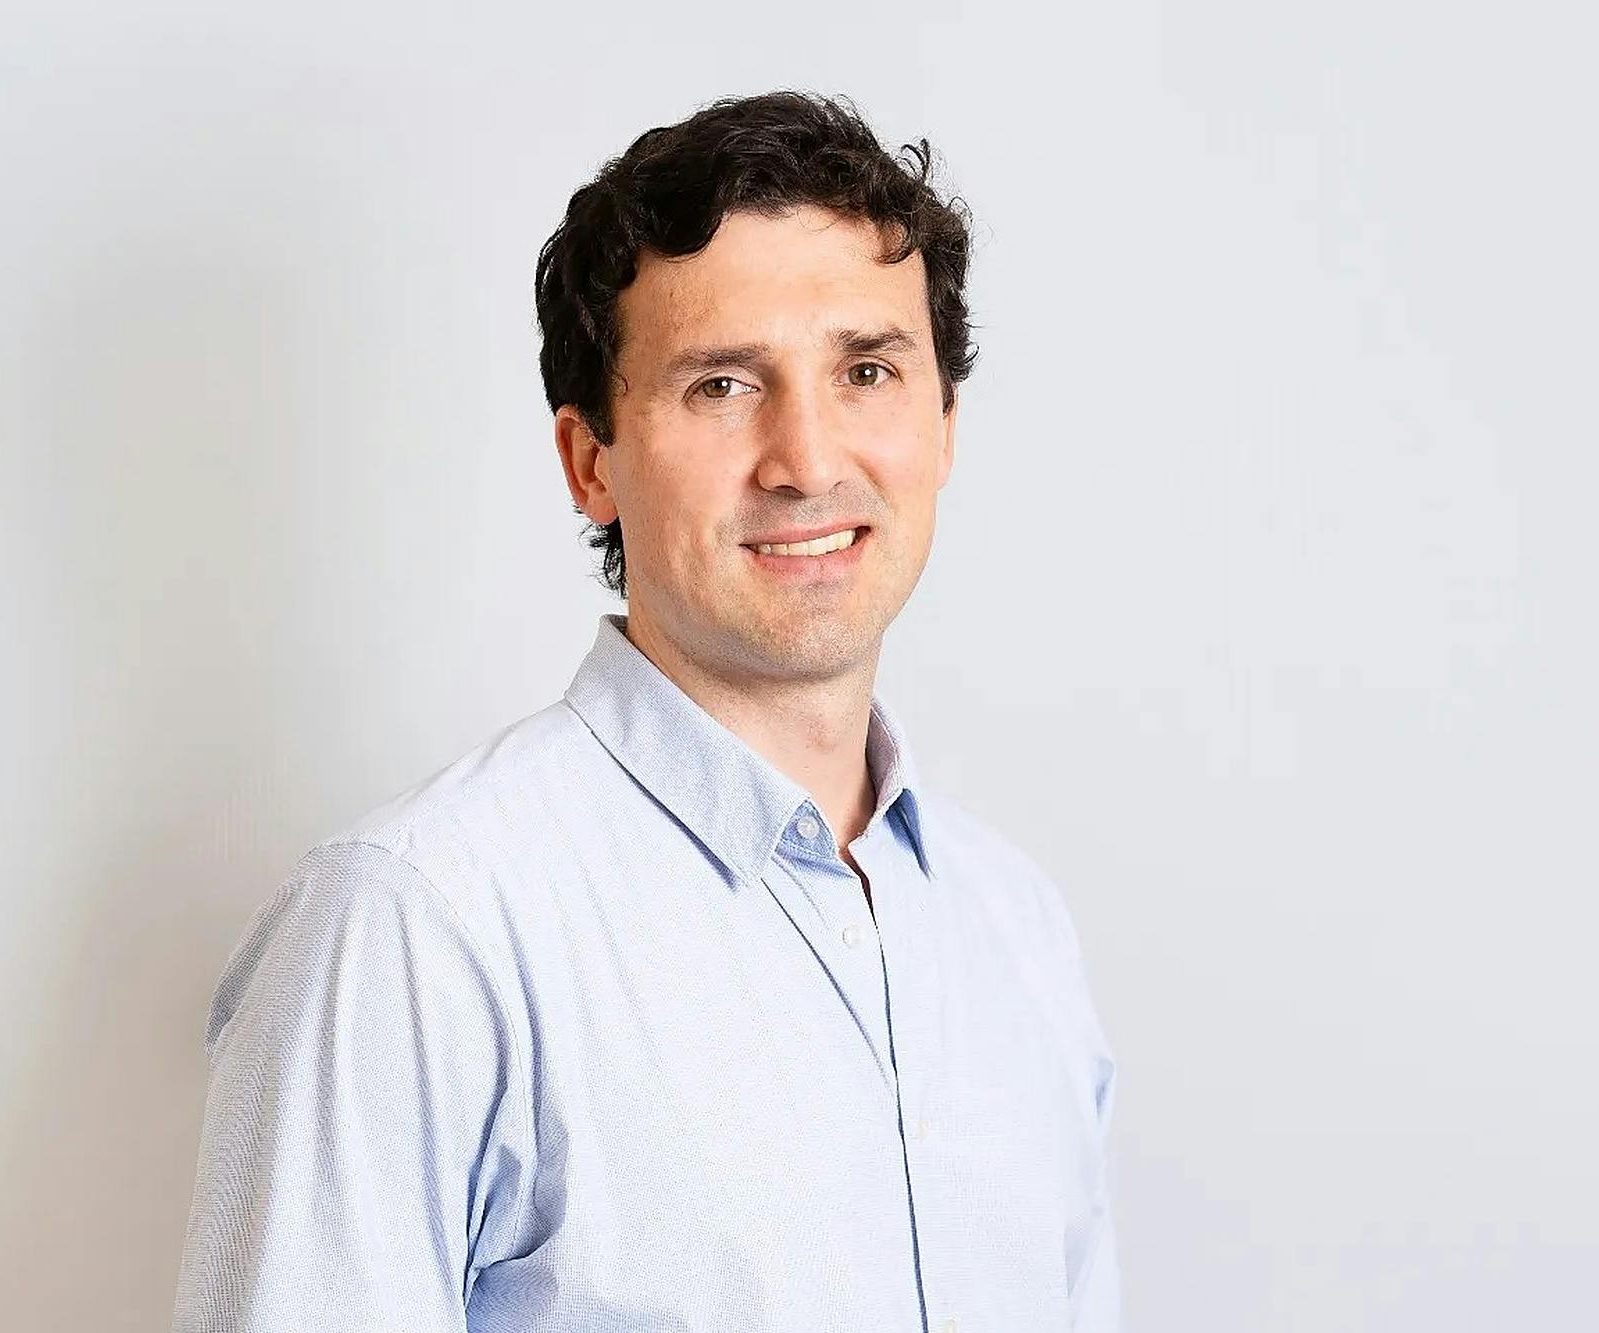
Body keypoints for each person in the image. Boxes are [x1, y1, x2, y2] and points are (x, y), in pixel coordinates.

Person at [171, 89, 1122, 1333]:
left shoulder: (1015, 929)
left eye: (867, 371)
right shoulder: (417, 930)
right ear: (591, 461)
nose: (807, 459)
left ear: (941, 426)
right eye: (721, 384)